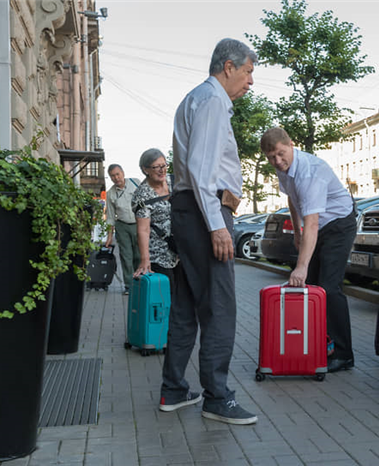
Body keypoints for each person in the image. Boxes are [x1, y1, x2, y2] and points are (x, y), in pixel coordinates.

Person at [164, 38, 258, 425]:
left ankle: (174, 389)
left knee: (186, 306)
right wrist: (218, 226)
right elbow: (204, 173)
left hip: (189, 211)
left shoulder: (196, 99)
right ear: (229, 66)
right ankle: (217, 397)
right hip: (206, 213)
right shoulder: (213, 101)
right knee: (219, 308)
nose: (251, 81)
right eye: (249, 71)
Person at [261, 127, 357, 373]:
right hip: (319, 225)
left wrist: (301, 265)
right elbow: (292, 199)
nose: (278, 161)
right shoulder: (283, 168)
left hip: (339, 223)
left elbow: (312, 222)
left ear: (291, 144)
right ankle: (319, 344)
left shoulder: (310, 172)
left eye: (281, 154)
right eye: (272, 157)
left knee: (328, 286)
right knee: (311, 286)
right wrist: (296, 231)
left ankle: (344, 354)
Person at [132, 148, 179, 280]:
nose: (162, 170)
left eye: (164, 165)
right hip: (159, 254)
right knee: (166, 294)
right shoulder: (142, 194)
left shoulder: (175, 181)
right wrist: (145, 260)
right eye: (156, 167)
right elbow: (143, 229)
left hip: (181, 250)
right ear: (145, 169)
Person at [105, 164, 141, 295]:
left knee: (139, 254)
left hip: (139, 224)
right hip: (122, 226)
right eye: (113, 176)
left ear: (123, 173)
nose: (116, 178)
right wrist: (109, 237)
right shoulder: (110, 194)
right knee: (126, 256)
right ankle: (128, 285)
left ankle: (140, 283)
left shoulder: (135, 182)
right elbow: (110, 216)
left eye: (117, 174)